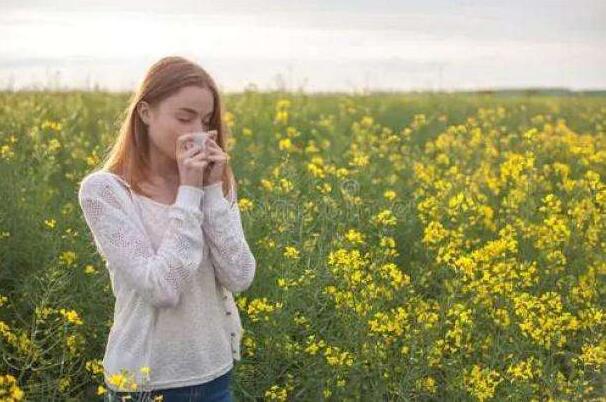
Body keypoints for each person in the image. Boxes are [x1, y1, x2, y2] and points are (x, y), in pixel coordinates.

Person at [77, 56, 256, 401]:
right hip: (145, 384)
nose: (198, 133)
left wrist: (210, 193)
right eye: (184, 117)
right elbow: (162, 288)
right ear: (145, 113)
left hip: (216, 377)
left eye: (205, 120)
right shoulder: (105, 191)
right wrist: (189, 193)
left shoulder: (214, 184)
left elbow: (239, 275)